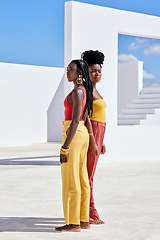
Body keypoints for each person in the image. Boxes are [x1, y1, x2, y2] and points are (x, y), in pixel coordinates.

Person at [55, 59, 93, 232]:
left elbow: (76, 120)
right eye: (67, 69)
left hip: (74, 133)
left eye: (71, 69)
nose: (67, 72)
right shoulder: (85, 90)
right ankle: (83, 219)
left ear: (79, 72)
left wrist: (65, 147)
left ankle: (73, 223)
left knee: (71, 179)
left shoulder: (78, 92)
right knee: (82, 177)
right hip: (82, 134)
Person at [81, 50, 106, 224]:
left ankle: (86, 211)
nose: (96, 74)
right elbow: (86, 117)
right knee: (88, 176)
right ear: (85, 73)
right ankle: (90, 213)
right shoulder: (86, 91)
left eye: (98, 71)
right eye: (92, 71)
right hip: (92, 134)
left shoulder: (96, 90)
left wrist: (101, 141)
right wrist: (93, 140)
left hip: (98, 134)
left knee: (89, 175)